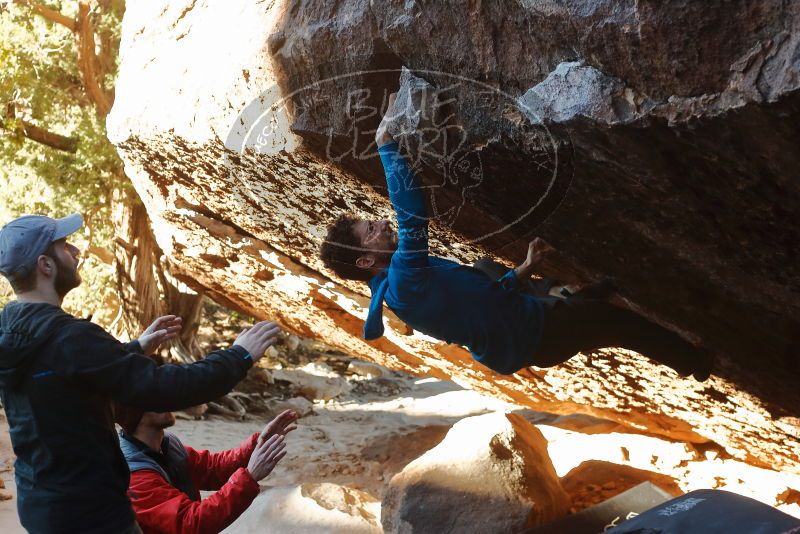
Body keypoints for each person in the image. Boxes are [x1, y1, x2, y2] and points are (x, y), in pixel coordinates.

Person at [320, 93, 713, 381]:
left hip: (517, 330)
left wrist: (522, 270)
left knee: (484, 268)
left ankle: (574, 295)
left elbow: (478, 302)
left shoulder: (396, 287)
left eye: (373, 222)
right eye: (370, 231)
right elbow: (412, 215)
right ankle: (695, 364)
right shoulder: (403, 284)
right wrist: (386, 145)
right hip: (539, 335)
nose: (381, 225)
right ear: (365, 261)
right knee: (622, 326)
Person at [0, 213, 282, 534]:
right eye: (64, 246)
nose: (76, 251)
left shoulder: (11, 337)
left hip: (41, 507)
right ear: (45, 265)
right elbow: (166, 388)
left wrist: (133, 349)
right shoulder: (71, 338)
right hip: (94, 514)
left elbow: (63, 373)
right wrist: (238, 355)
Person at [116, 406, 297, 534]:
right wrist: (249, 477)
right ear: (134, 414)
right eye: (153, 396)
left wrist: (255, 446)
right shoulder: (135, 477)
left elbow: (211, 468)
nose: (165, 398)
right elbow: (192, 523)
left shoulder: (166, 444)